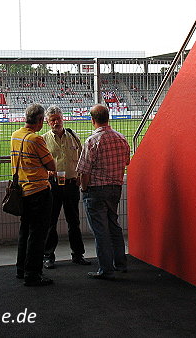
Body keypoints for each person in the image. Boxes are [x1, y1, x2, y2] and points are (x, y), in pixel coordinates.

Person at [77, 103, 130, 280]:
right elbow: (126, 161)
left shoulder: (92, 141)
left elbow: (84, 171)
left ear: (92, 120)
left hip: (96, 190)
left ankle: (105, 269)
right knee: (114, 225)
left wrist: (84, 189)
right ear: (109, 117)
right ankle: (120, 263)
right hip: (115, 188)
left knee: (101, 230)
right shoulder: (121, 138)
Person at [11, 103, 56, 286]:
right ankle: (33, 274)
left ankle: (21, 269)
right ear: (39, 120)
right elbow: (51, 165)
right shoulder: (36, 140)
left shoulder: (15, 136)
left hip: (23, 190)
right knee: (38, 234)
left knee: (25, 231)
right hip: (38, 191)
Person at [42, 105, 91, 269]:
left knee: (74, 222)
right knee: (51, 222)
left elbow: (82, 158)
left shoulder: (73, 136)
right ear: (48, 122)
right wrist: (47, 173)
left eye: (59, 118)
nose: (57, 122)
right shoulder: (43, 140)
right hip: (53, 186)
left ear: (63, 119)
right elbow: (39, 164)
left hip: (71, 185)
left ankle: (78, 254)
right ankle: (48, 256)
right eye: (53, 120)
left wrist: (79, 177)